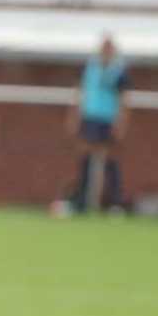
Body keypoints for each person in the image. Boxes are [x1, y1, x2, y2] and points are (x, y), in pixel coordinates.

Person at [63, 34, 129, 213]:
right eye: (103, 47)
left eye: (109, 48)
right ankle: (82, 199)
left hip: (107, 118)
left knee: (109, 158)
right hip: (89, 117)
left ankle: (114, 201)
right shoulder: (89, 67)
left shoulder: (118, 71)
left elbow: (123, 100)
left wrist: (120, 122)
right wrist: (74, 116)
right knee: (85, 156)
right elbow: (79, 93)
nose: (106, 51)